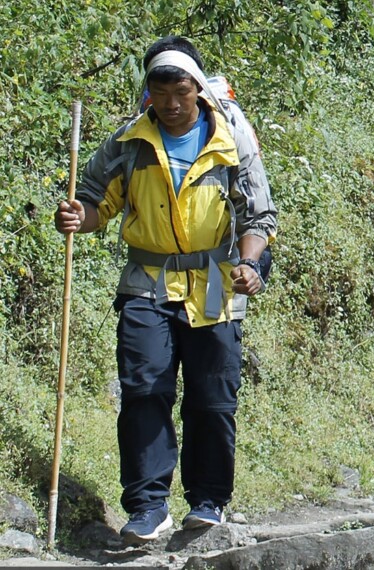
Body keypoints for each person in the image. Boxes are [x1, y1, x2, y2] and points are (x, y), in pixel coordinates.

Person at [54, 37, 276, 542]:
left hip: (217, 282)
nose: (172, 104)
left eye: (181, 91)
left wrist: (248, 262)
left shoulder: (229, 139)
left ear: (198, 89)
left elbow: (259, 216)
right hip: (146, 283)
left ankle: (208, 500)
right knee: (143, 390)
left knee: (212, 398)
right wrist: (76, 216)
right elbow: (95, 203)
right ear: (148, 92)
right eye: (161, 91)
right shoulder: (128, 143)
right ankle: (149, 506)